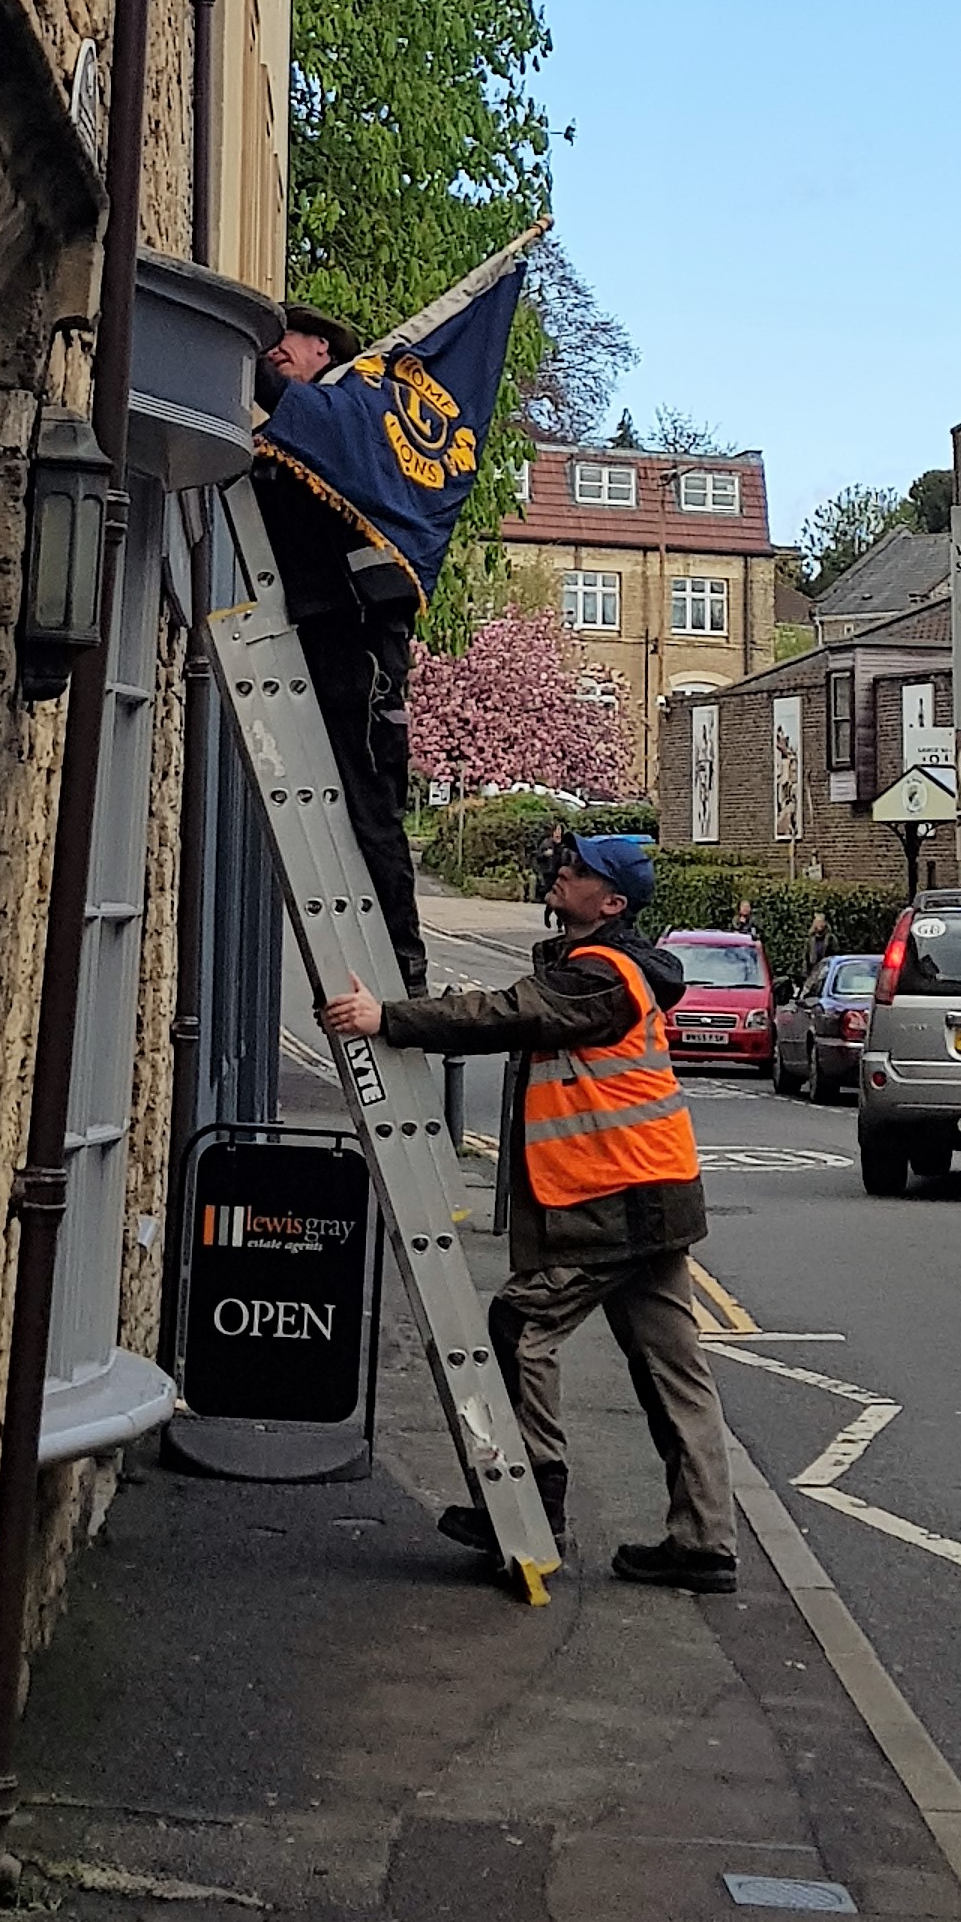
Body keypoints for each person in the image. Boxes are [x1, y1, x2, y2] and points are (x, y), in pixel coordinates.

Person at [323, 827, 737, 1589]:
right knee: (673, 1371)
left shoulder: (602, 976)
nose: (561, 872)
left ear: (610, 902)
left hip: (610, 1197)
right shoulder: (602, 967)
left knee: (519, 1326)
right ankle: (705, 1539)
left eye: (578, 871)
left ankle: (529, 1503)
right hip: (653, 1195)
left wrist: (389, 1020)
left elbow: (508, 1013)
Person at [254, 301, 429, 990]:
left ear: (322, 349)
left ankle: (399, 966)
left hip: (357, 639)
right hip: (322, 627)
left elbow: (270, 391)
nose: (272, 349)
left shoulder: (344, 412)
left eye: (283, 338)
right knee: (344, 796)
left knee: (366, 798)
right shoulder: (306, 428)